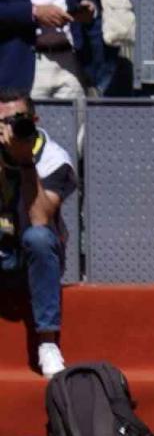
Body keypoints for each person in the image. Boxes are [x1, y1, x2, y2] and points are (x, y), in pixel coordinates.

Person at [0, 88, 78, 378]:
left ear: (34, 119)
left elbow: (40, 220)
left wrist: (23, 163)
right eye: (3, 121)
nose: (11, 128)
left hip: (34, 257)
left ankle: (47, 344)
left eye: (18, 120)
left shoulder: (54, 159)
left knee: (39, 237)